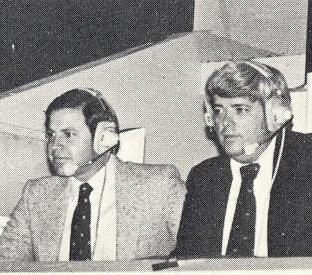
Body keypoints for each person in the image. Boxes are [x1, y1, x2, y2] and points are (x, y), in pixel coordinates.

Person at [171, 60, 312, 258]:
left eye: (240, 110)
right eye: (218, 110)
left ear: (275, 114)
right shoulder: (205, 176)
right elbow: (187, 259)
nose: (225, 123)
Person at [0, 88, 186, 261]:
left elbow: (198, 259)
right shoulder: (36, 194)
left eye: (69, 134)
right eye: (51, 135)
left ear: (104, 138)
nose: (55, 146)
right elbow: (6, 261)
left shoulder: (159, 185)